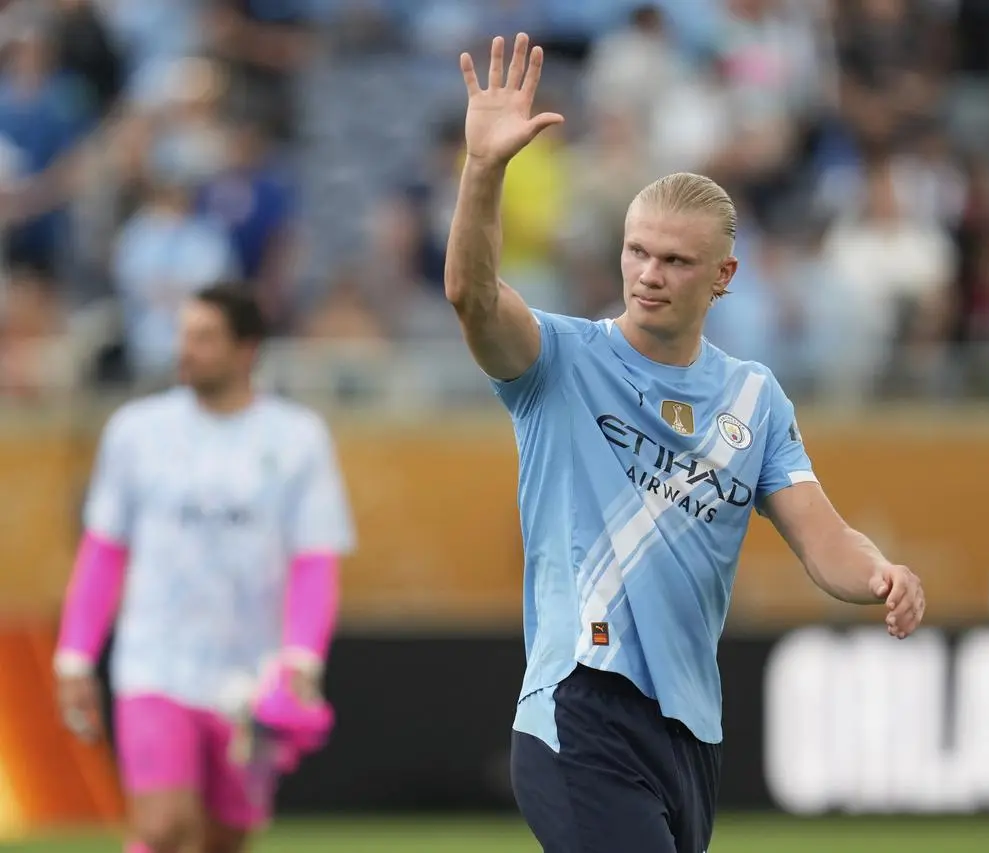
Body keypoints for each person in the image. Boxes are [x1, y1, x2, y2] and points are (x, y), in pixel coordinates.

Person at [446, 34, 928, 853]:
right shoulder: (561, 361)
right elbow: (471, 294)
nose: (649, 273)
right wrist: (485, 169)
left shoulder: (754, 398)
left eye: (674, 259)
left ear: (723, 277)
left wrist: (881, 570)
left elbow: (825, 539)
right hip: (579, 707)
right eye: (637, 251)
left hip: (688, 734)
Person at [53, 283, 356, 853]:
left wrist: (301, 657)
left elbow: (315, 558)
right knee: (164, 828)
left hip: (250, 677)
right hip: (154, 665)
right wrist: (75, 655)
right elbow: (104, 551)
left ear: (247, 350)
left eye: (204, 337)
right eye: (183, 335)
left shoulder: (298, 438)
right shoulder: (135, 432)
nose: (185, 350)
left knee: (223, 839)